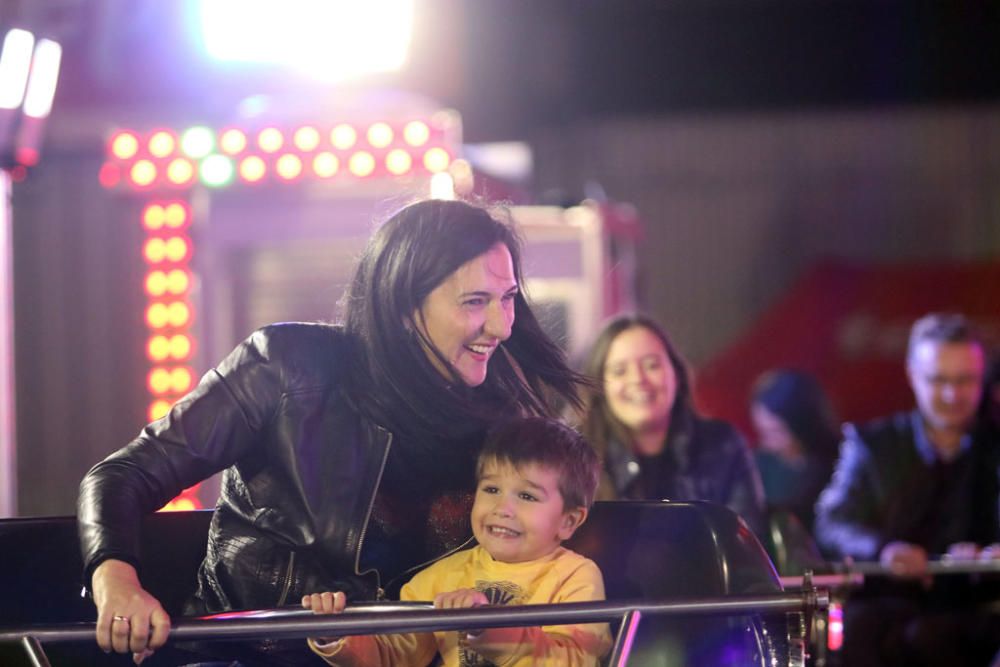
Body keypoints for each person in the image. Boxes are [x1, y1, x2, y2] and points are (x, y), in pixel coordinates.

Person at [76, 199, 588, 664]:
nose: (501, 326)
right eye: (475, 302)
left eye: (508, 298)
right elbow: (121, 475)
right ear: (406, 307)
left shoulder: (503, 421)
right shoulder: (284, 367)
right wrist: (116, 584)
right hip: (238, 653)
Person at [302, 416, 611, 666]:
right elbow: (395, 654)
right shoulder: (444, 576)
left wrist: (489, 629)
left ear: (568, 521)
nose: (502, 509)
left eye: (527, 496)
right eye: (491, 490)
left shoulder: (576, 576)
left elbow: (577, 660)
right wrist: (338, 635)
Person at [814, 312, 1000, 667]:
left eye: (965, 381)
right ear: (912, 376)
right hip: (885, 618)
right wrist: (884, 550)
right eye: (938, 380)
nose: (951, 394)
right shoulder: (873, 444)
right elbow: (832, 522)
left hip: (979, 615)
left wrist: (989, 555)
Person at [577, 313, 766, 538]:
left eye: (651, 365)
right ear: (600, 386)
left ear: (675, 373)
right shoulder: (576, 457)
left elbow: (746, 545)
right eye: (620, 371)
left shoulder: (722, 445)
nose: (638, 379)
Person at [750, 368, 839, 531]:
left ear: (802, 425)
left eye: (775, 433)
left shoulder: (841, 466)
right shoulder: (758, 467)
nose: (767, 443)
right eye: (762, 432)